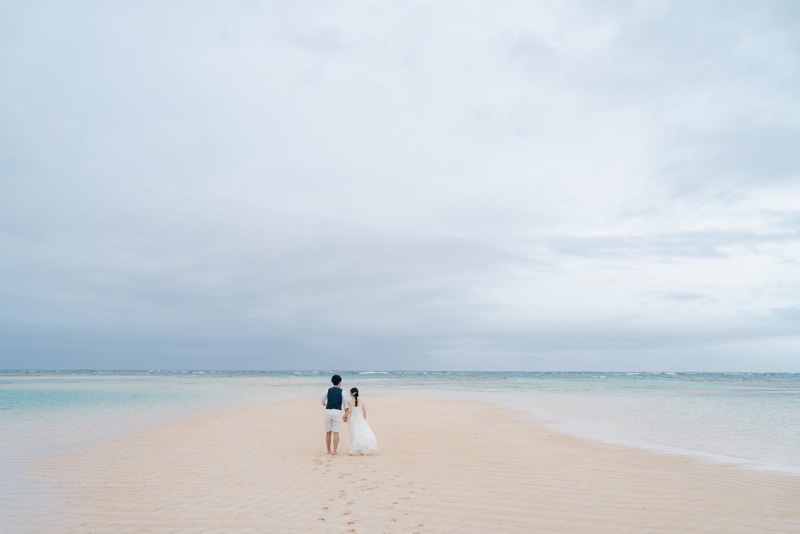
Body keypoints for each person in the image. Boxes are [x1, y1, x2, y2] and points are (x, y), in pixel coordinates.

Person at [321, 374, 350, 455]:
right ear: (340, 382)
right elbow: (346, 405)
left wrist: (326, 404)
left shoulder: (328, 390)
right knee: (336, 432)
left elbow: (322, 401)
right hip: (337, 412)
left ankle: (328, 450)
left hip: (328, 411)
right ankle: (334, 450)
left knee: (328, 432)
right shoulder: (342, 391)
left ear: (332, 382)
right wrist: (346, 416)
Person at [346, 387, 378, 455]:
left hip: (352, 419)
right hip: (360, 418)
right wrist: (364, 419)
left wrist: (344, 416)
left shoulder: (350, 401)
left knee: (354, 434)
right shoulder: (362, 401)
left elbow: (349, 411)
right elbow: (364, 411)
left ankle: (354, 449)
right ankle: (362, 449)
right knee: (361, 433)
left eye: (350, 393)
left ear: (351, 394)